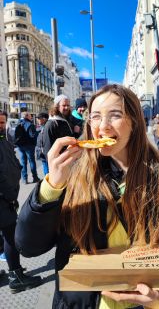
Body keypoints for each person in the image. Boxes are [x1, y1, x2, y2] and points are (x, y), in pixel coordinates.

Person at [15, 84, 159, 309]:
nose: (103, 126)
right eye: (95, 116)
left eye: (115, 115)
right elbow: (28, 247)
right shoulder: (73, 176)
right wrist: (51, 187)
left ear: (135, 122)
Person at [0, 111, 42, 293]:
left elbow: (11, 162)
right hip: (3, 198)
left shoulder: (4, 138)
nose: (1, 125)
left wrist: (17, 168)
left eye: (2, 122)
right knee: (10, 236)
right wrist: (9, 195)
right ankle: (16, 277)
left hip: (7, 195)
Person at [42, 94, 74, 162]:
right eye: (64, 105)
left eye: (68, 105)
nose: (66, 108)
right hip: (59, 162)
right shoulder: (51, 124)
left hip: (70, 160)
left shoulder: (67, 120)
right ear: (57, 106)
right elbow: (47, 150)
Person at [15, 112, 40, 184]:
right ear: (27, 116)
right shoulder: (30, 124)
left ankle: (24, 179)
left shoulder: (19, 124)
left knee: (23, 162)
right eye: (30, 116)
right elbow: (32, 135)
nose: (31, 117)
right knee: (31, 161)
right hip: (29, 146)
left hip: (20, 146)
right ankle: (35, 177)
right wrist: (37, 133)